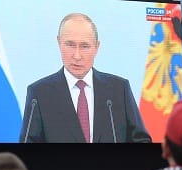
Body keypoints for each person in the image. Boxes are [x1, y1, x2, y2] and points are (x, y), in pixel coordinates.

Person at [19, 13, 151, 143]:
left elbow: (141, 140)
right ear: (59, 43)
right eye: (70, 45)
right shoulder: (39, 93)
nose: (77, 56)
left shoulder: (119, 89)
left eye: (84, 46)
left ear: (97, 47)